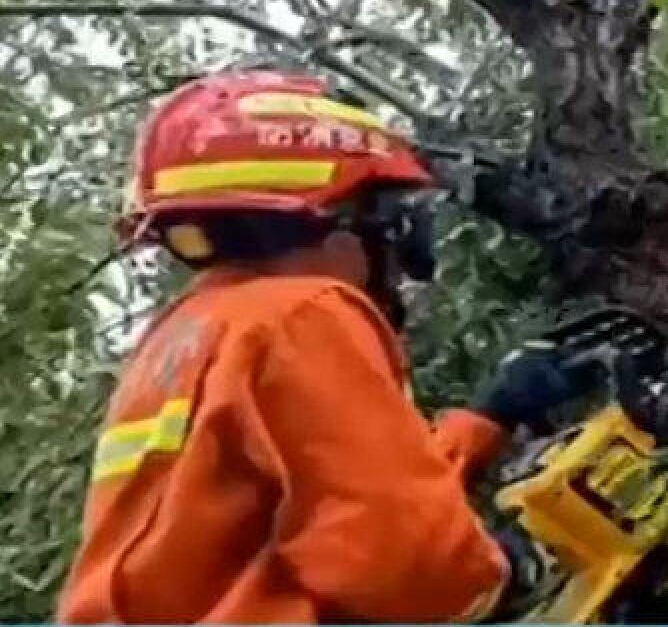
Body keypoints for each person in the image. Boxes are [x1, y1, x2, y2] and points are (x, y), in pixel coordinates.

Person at [56, 70, 580, 624]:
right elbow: (405, 561)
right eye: (389, 221)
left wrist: (485, 418)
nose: (398, 266)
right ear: (336, 221)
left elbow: (339, 500)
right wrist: (509, 569)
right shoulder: (303, 314)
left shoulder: (190, 333)